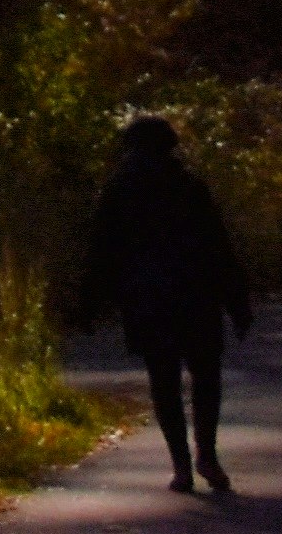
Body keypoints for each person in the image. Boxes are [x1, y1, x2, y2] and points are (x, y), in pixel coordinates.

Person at [82, 112, 258, 496]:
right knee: (205, 377)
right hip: (197, 295)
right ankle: (207, 456)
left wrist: (89, 305)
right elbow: (218, 246)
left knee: (164, 382)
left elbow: (101, 253)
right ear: (170, 146)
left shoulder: (117, 190)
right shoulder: (189, 186)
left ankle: (181, 467)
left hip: (147, 299)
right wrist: (237, 301)